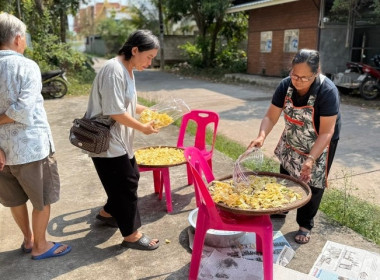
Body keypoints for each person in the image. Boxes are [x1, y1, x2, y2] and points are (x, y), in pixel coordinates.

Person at [248, 49, 341, 244]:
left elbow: (326, 132)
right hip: (293, 136)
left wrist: (310, 158)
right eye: (294, 75)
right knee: (287, 171)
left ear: (316, 73)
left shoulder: (327, 91)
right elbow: (270, 116)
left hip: (320, 138)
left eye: (304, 78)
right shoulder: (285, 86)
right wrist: (261, 136)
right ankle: (282, 207)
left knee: (312, 182)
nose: (297, 81)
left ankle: (305, 224)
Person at [0, 13, 71, 259]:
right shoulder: (26, 65)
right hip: (31, 149)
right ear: (18, 39)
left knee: (15, 199)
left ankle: (28, 240)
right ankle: (40, 245)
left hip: (2, 154)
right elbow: (23, 110)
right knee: (41, 199)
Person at [86, 30, 160, 250]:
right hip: (106, 141)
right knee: (126, 185)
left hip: (120, 140)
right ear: (134, 50)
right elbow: (115, 111)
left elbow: (128, 103)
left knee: (130, 177)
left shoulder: (128, 69)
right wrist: (143, 128)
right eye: (148, 57)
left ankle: (108, 213)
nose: (149, 62)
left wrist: (149, 111)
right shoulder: (113, 70)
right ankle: (131, 235)